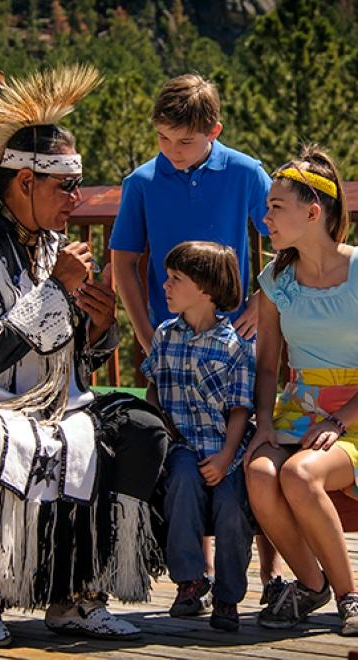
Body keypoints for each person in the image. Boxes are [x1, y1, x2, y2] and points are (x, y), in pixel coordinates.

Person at [0, 54, 168, 647]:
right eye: (66, 186)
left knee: (139, 428)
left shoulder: (49, 247)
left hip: (42, 401)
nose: (76, 198)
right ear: (25, 182)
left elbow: (64, 363)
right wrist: (56, 292)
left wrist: (95, 330)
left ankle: (76, 597)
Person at [109, 71, 282, 605]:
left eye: (184, 141)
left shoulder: (247, 173)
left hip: (237, 347)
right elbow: (124, 263)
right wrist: (147, 337)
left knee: (254, 452)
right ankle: (194, 579)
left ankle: (271, 576)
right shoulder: (141, 182)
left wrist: (258, 302)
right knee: (182, 458)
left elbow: (286, 240)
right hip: (174, 353)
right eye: (162, 138)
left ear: (214, 130)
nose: (172, 150)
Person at [245, 146, 358, 636]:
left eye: (275, 207)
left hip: (352, 415)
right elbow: (267, 366)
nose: (265, 216)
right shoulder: (275, 280)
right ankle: (311, 584)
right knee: (259, 472)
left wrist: (340, 420)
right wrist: (265, 423)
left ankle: (349, 595)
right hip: (297, 409)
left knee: (299, 475)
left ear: (313, 213)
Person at [141, 241, 255, 632]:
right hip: (182, 445)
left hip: (227, 449)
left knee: (230, 507)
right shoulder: (164, 336)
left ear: (205, 289)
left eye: (176, 279)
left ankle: (228, 596)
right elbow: (153, 383)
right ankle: (190, 582)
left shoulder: (236, 347)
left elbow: (240, 409)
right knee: (183, 483)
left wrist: (225, 456)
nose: (165, 285)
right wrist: (159, 420)